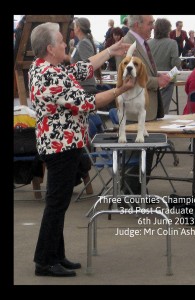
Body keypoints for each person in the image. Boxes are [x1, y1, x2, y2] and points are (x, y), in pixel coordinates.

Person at [29, 22, 134, 277]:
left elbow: (82, 68)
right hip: (60, 147)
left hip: (65, 144)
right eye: (62, 41)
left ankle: (56, 254)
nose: (67, 43)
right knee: (56, 203)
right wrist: (121, 90)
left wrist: (110, 52)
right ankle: (44, 261)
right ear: (50, 48)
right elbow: (88, 102)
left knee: (60, 202)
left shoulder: (47, 67)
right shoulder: (49, 75)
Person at [116, 15, 170, 194]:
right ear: (137, 24)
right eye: (150, 23)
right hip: (132, 111)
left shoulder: (143, 43)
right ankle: (129, 196)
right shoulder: (126, 44)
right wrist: (157, 82)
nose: (153, 27)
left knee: (145, 158)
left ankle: (139, 193)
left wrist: (157, 77)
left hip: (147, 109)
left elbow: (143, 73)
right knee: (134, 158)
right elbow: (129, 79)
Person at [148, 18, 182, 115]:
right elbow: (176, 64)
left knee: (151, 109)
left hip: (152, 80)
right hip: (167, 80)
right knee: (163, 110)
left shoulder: (148, 43)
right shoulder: (172, 43)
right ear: (167, 30)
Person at [70, 17, 101, 94]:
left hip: (85, 86)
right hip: (82, 85)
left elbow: (88, 65)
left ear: (78, 28)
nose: (73, 28)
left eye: (74, 26)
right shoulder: (82, 42)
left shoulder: (83, 43)